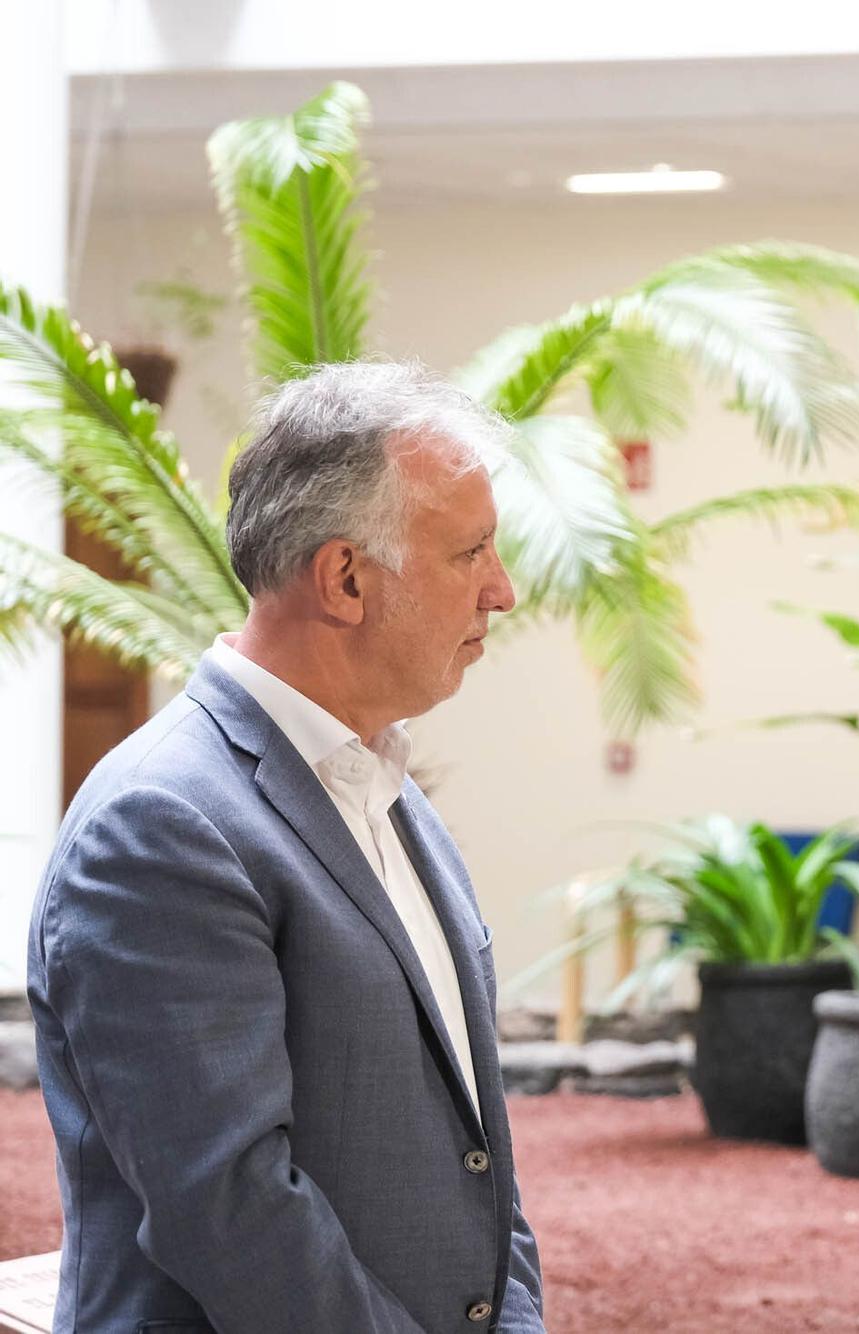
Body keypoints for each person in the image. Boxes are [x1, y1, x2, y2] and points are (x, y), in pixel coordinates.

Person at [26, 362, 545, 1331]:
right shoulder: (164, 825)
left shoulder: (388, 790)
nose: (502, 590)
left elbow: (481, 1159)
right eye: (469, 552)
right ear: (345, 577)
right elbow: (232, 1213)